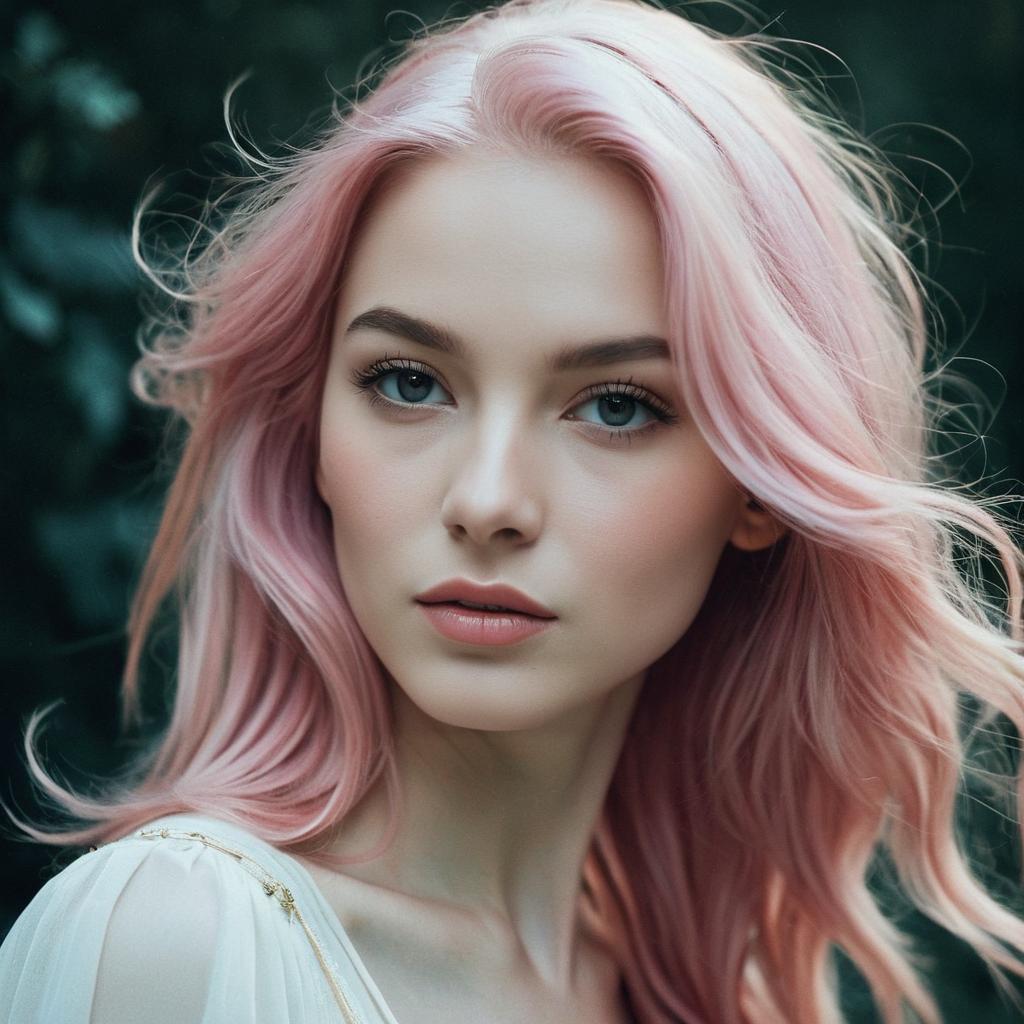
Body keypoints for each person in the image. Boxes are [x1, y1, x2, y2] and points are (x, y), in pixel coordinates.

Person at [2, 0, 1023, 1021]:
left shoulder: (700, 997)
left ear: (758, 485)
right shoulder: (175, 944)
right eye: (407, 381)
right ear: (307, 428)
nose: (487, 501)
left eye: (616, 405)